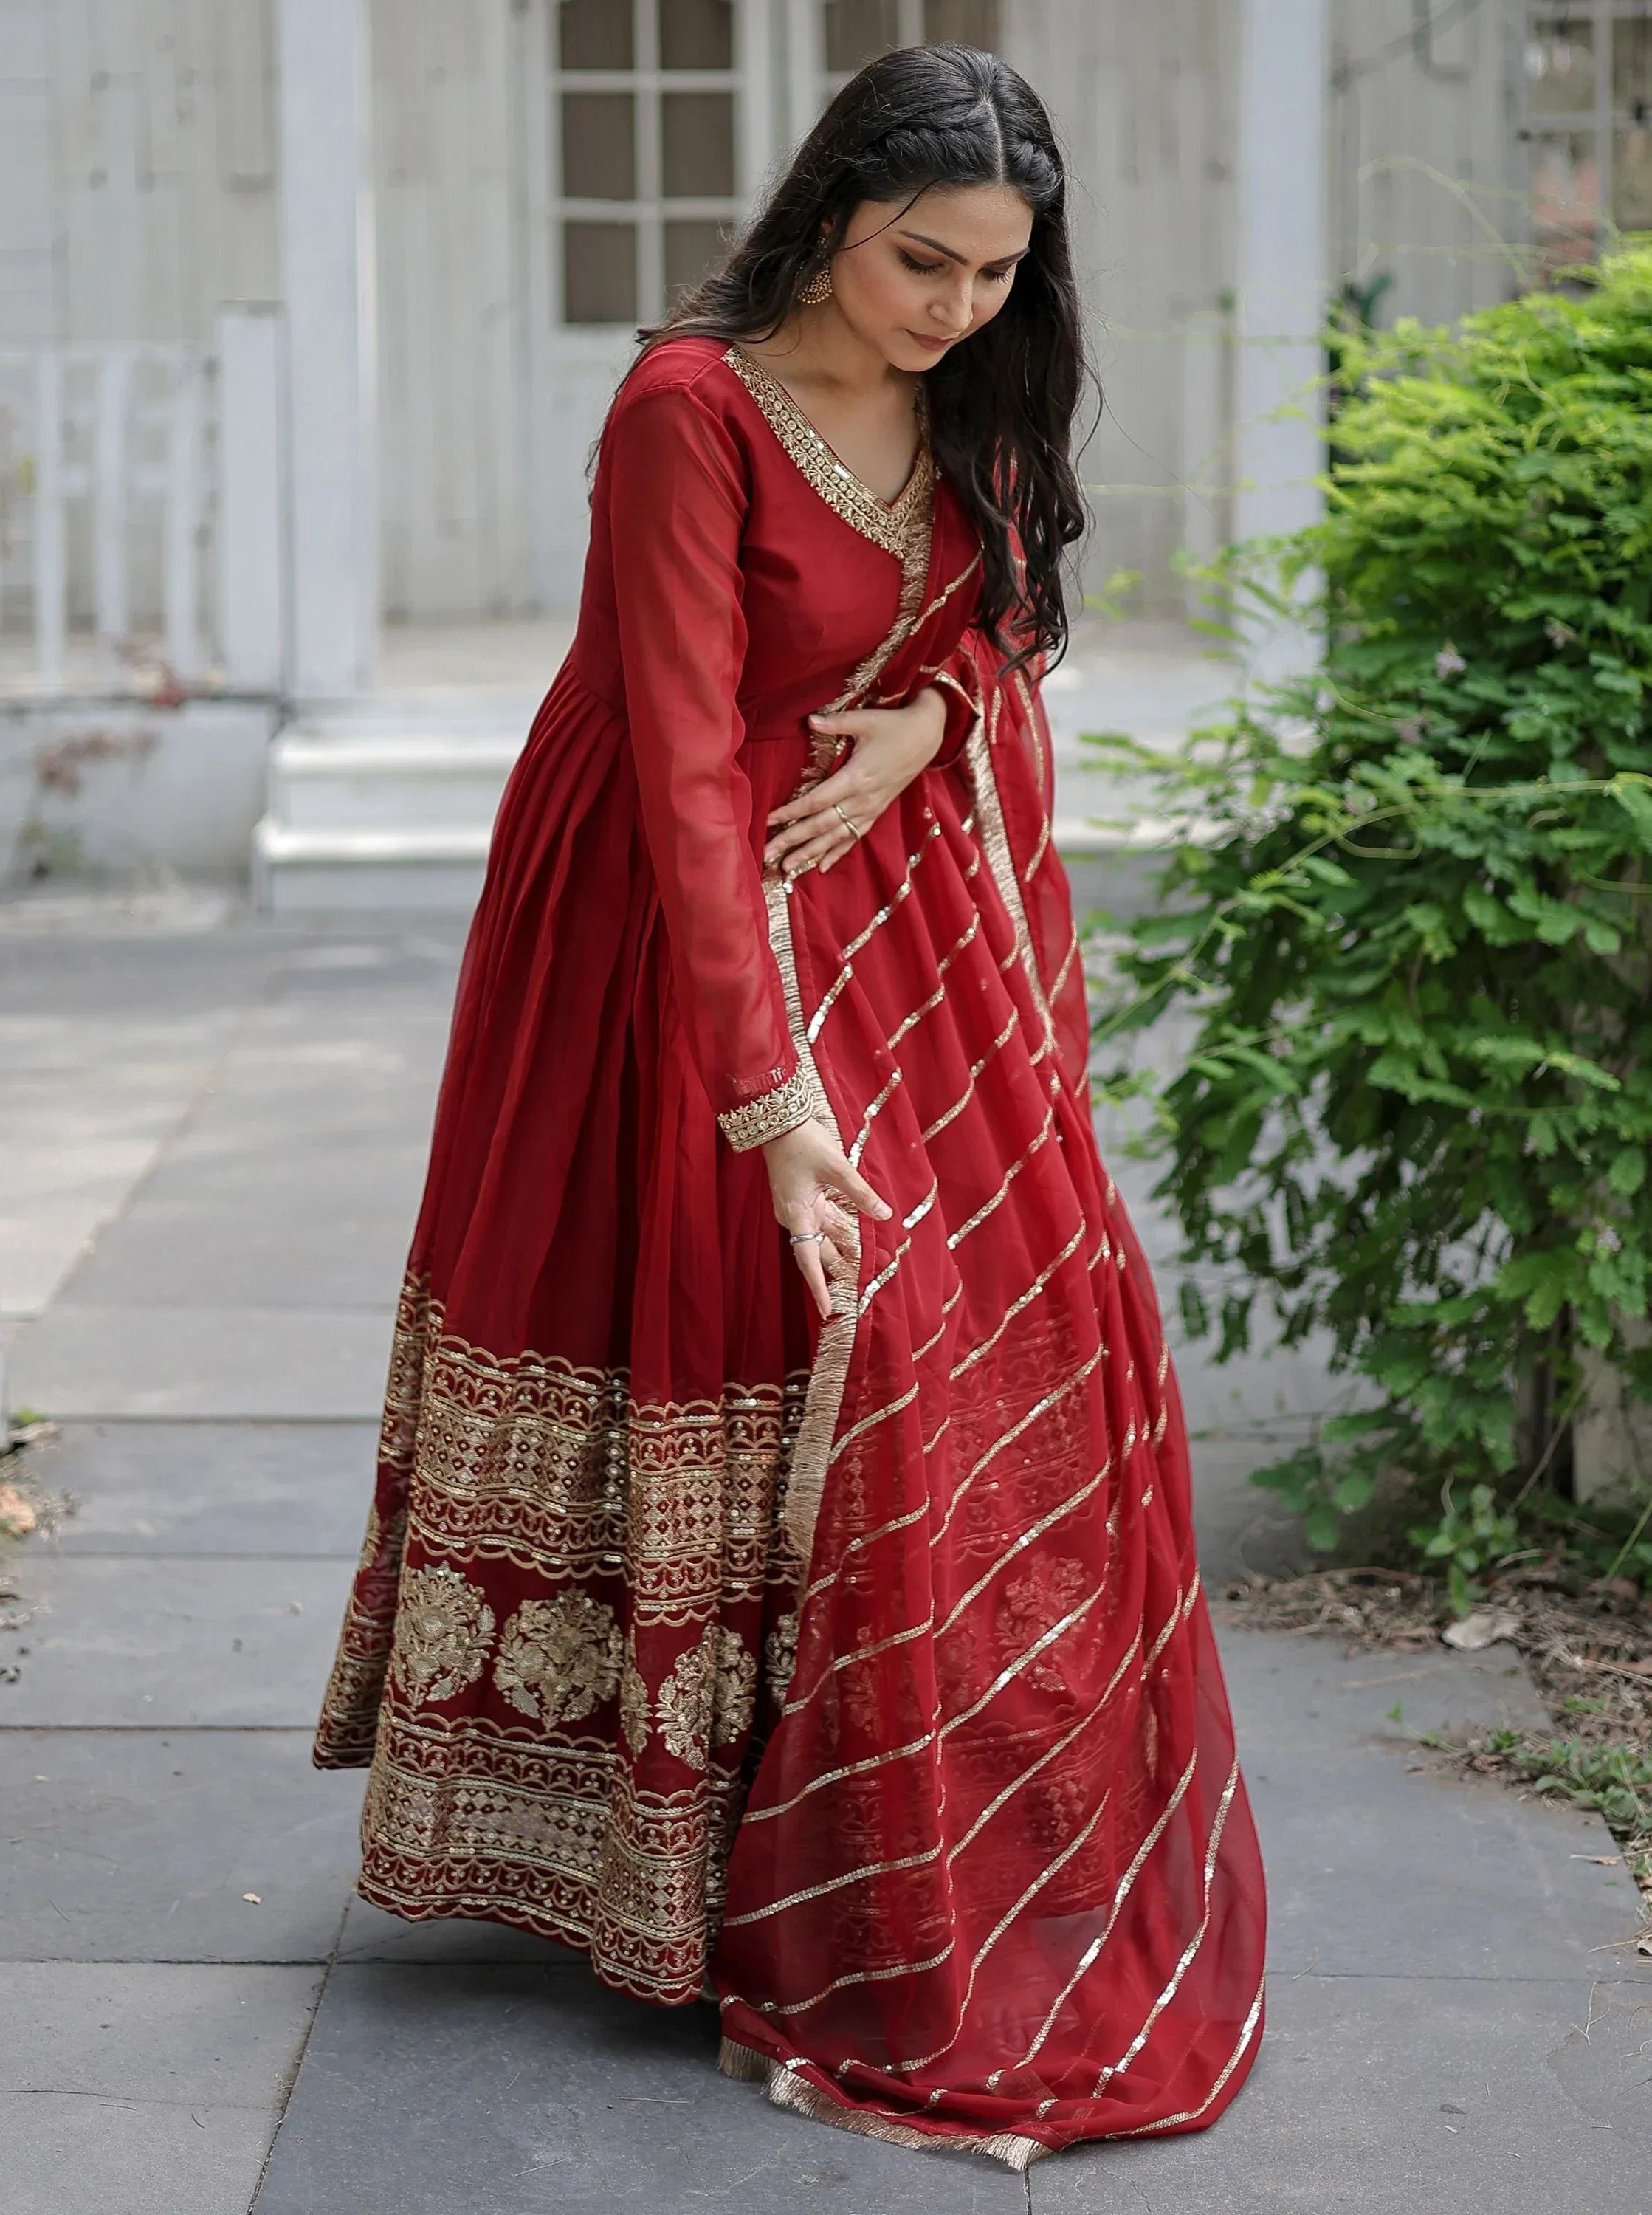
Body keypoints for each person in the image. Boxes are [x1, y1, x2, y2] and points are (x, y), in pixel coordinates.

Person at [313, 41, 1266, 2168]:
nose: (950, 310)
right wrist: (765, 1108)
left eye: (997, 276)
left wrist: (936, 722)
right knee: (788, 1321)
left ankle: (923, 1840)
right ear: (830, 210)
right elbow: (671, 762)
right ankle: (656, 1860)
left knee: (998, 1344)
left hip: (913, 931)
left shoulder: (974, 392)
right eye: (920, 262)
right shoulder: (688, 409)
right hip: (676, 930)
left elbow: (1000, 627)